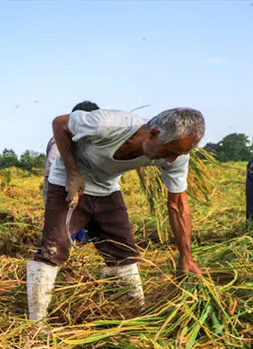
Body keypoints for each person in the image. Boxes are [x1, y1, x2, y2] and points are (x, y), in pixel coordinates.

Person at [26, 107, 205, 323]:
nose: (170, 161)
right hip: (68, 181)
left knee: (124, 253)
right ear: (154, 133)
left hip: (107, 188)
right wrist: (73, 171)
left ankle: (134, 313)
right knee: (54, 248)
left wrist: (186, 258)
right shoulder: (109, 124)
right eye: (168, 152)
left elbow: (178, 204)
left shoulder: (177, 156)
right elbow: (60, 123)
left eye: (178, 154)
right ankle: (37, 324)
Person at [43, 100, 100, 244]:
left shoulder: (85, 139)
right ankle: (63, 243)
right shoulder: (62, 139)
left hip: (75, 181)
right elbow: (52, 165)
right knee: (61, 218)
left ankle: (78, 239)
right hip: (59, 182)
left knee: (77, 214)